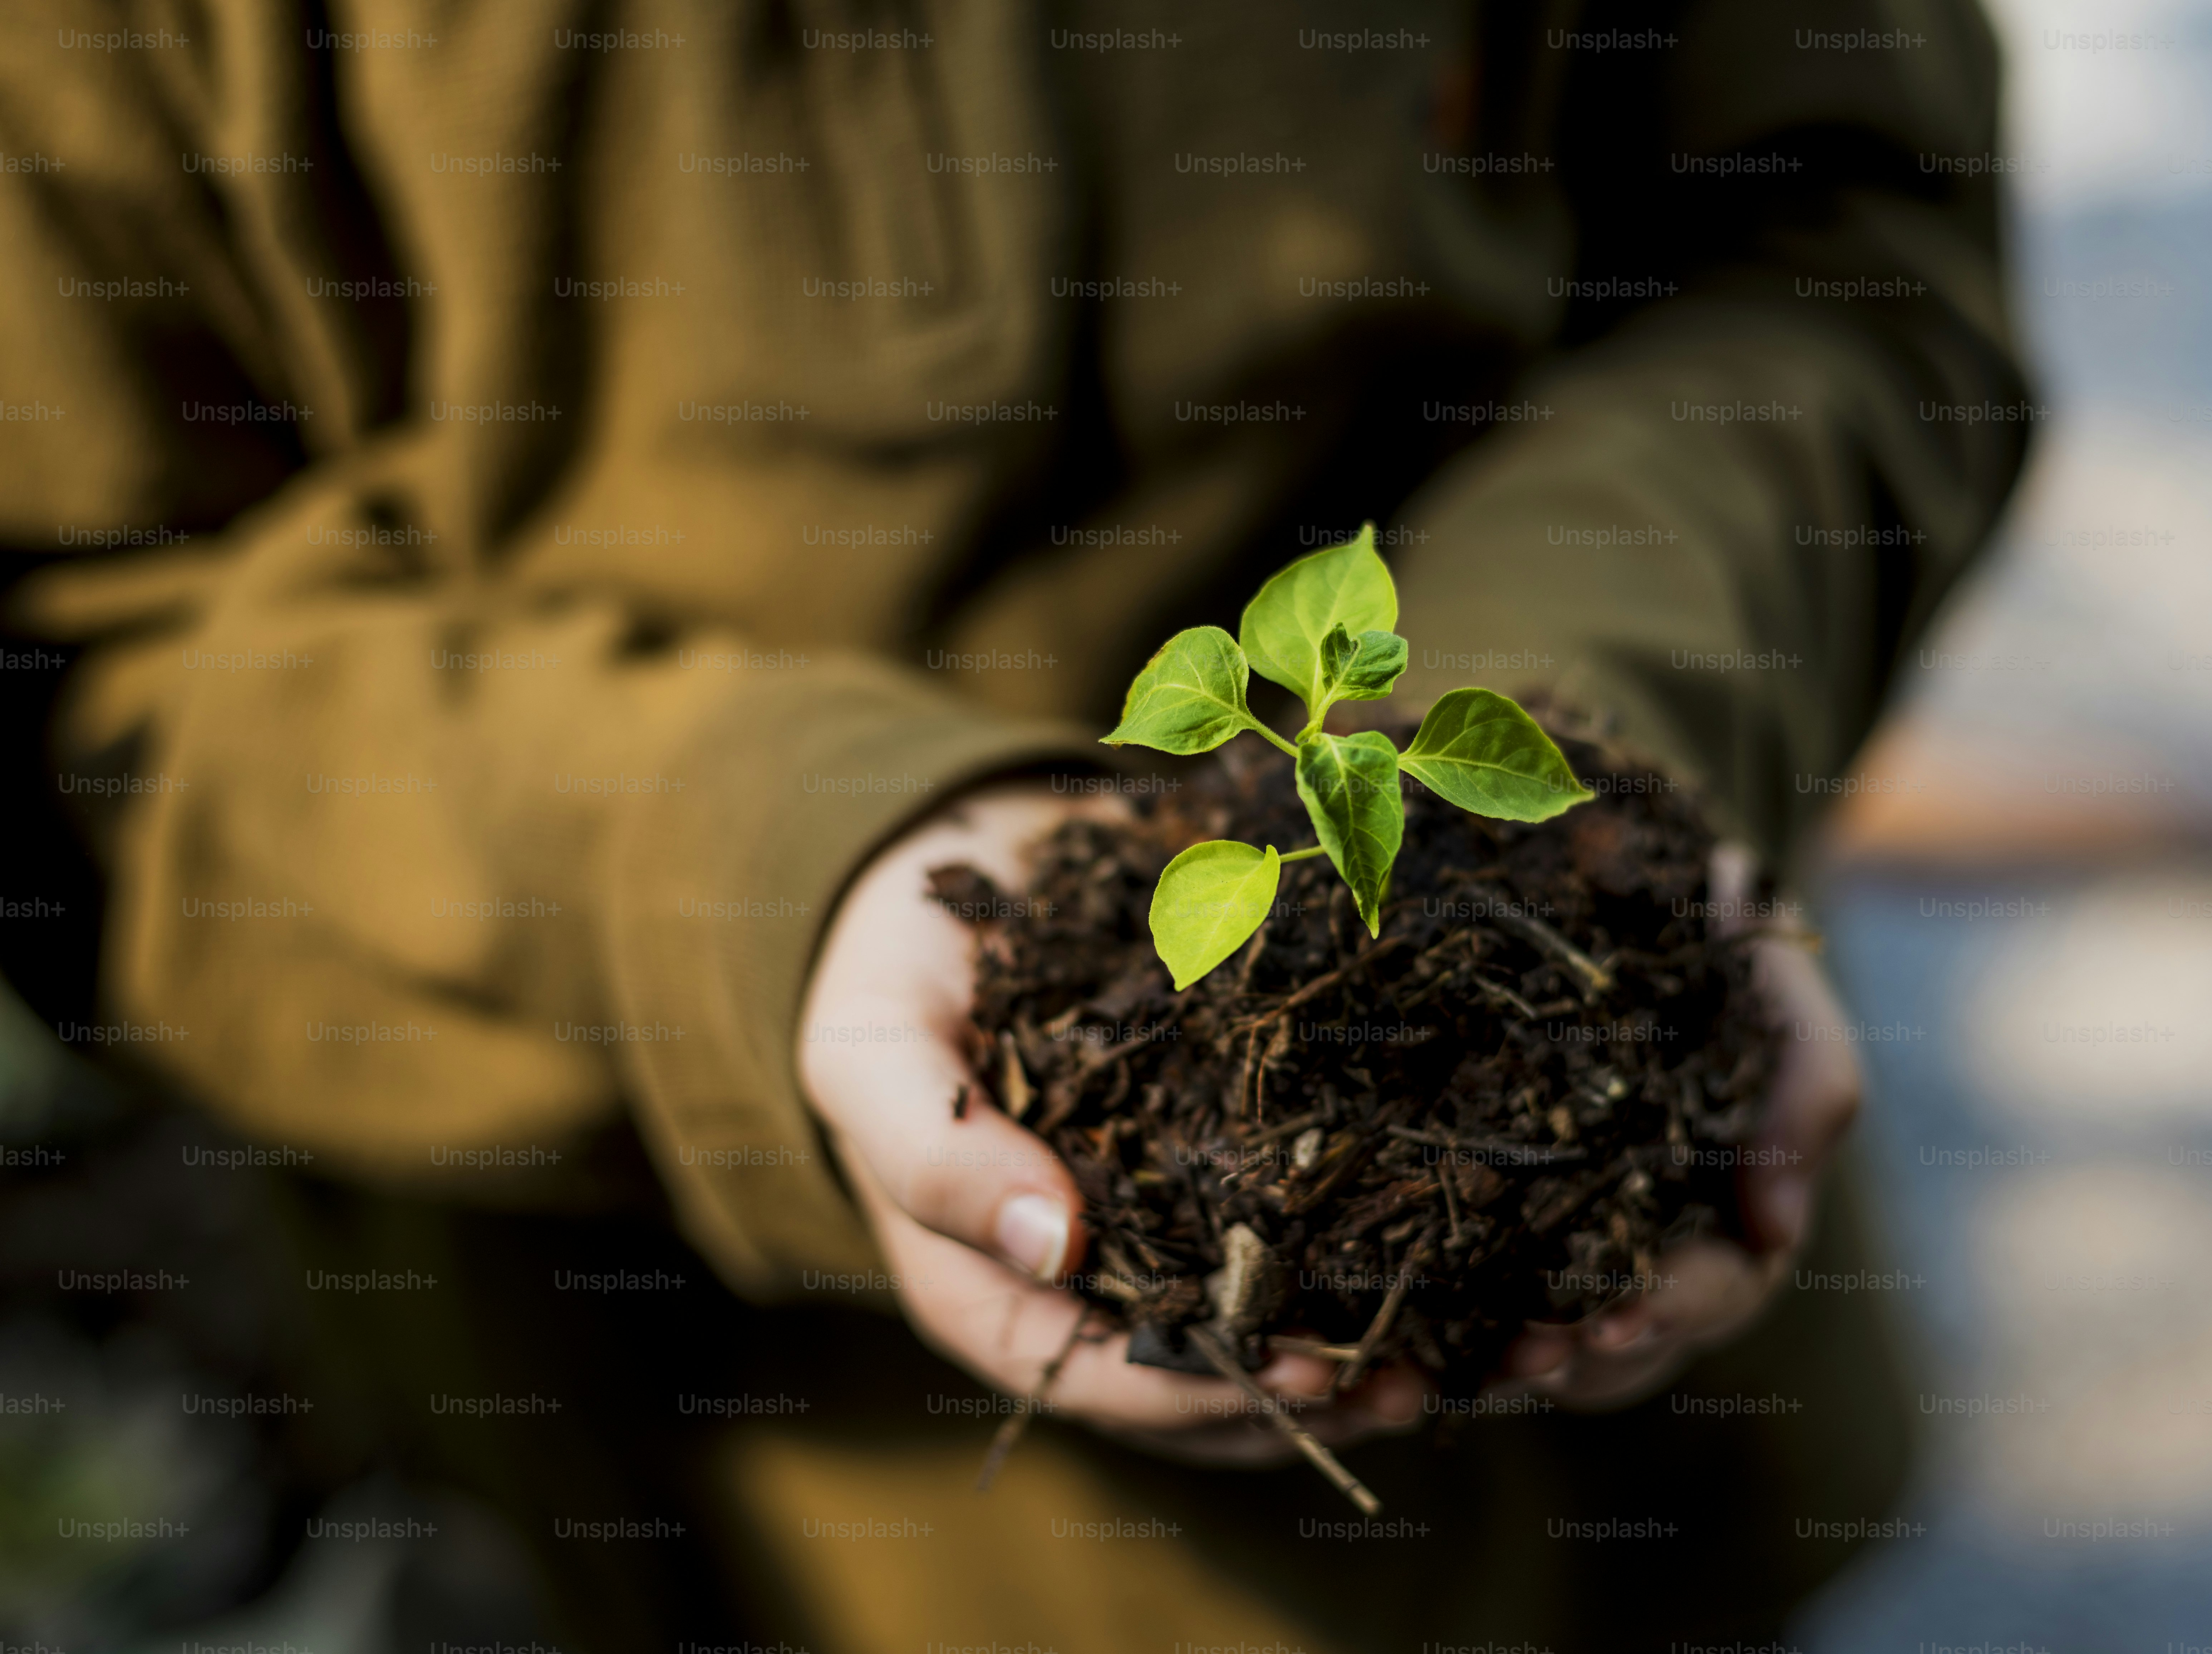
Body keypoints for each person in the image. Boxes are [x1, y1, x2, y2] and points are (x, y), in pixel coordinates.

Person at [0, 1, 2028, 1646]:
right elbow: (87, 656)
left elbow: (1840, 234)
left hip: (1632, 1477)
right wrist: (767, 875)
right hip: (739, 1496)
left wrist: (1615, 722)